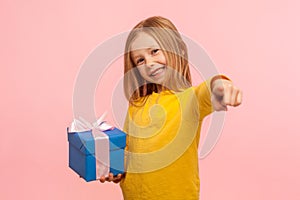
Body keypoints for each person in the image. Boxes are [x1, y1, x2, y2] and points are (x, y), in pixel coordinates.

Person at [100, 16, 242, 200]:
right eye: (140, 60)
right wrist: (117, 170)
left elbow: (207, 90)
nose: (149, 62)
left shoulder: (190, 100)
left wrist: (221, 86)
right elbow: (130, 152)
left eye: (155, 51)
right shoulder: (137, 105)